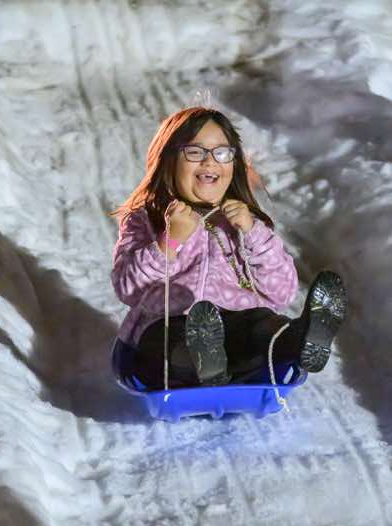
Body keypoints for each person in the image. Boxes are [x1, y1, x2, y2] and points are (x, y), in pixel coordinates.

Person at [110, 107, 347, 390]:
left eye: (222, 153)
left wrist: (253, 233)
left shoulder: (246, 223)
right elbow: (128, 288)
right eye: (195, 152)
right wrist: (170, 240)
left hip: (238, 331)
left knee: (262, 323)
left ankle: (299, 339)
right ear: (169, 159)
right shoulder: (147, 219)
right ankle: (203, 364)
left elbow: (282, 292)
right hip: (169, 332)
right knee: (167, 340)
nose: (210, 161)